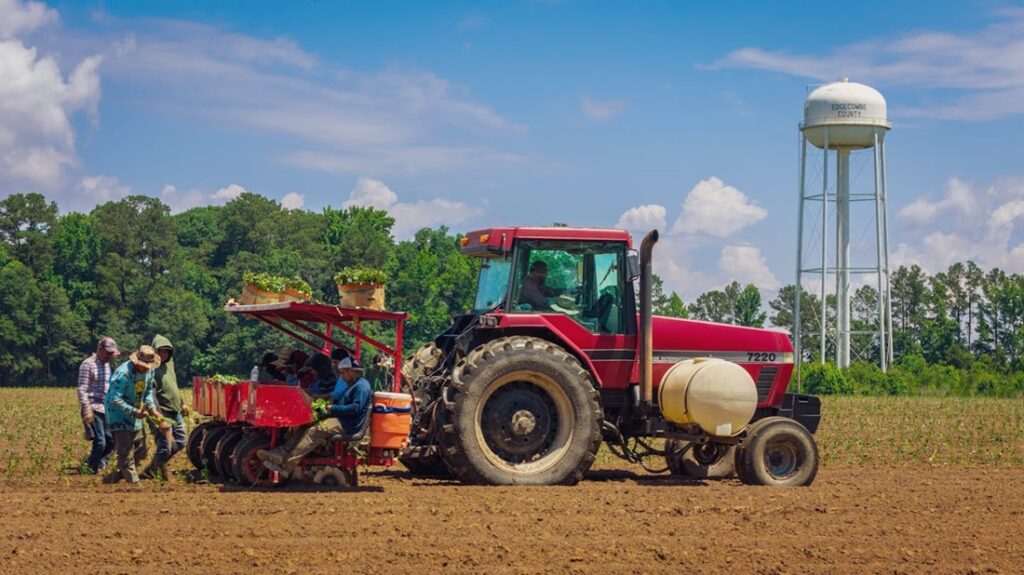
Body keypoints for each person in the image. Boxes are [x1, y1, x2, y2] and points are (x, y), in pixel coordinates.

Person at [257, 356, 372, 478]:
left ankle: (287, 465)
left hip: (347, 423)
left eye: (343, 373)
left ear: (351, 371)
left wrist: (332, 408)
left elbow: (355, 408)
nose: (342, 376)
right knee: (305, 423)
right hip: (340, 418)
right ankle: (280, 454)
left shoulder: (361, 387)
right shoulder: (352, 384)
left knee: (315, 430)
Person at [102, 345, 163, 484]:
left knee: (141, 449)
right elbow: (113, 398)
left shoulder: (149, 372)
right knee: (126, 452)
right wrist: (134, 412)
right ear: (136, 362)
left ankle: (115, 477)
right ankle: (134, 484)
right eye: (144, 365)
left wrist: (153, 410)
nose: (146, 368)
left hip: (136, 414)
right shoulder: (123, 374)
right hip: (118, 415)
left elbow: (147, 393)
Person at [140, 335, 188, 480]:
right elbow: (150, 397)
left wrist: (182, 402)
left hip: (175, 410)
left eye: (167, 352)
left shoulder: (170, 364)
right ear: (155, 352)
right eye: (161, 352)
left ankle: (152, 469)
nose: (164, 355)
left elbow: (173, 385)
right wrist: (159, 419)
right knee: (165, 444)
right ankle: (158, 470)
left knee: (180, 441)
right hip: (161, 412)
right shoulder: (150, 370)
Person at [77, 337, 120, 474]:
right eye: (107, 353)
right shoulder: (88, 364)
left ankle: (99, 463)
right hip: (93, 407)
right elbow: (82, 389)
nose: (109, 357)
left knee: (112, 441)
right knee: (100, 442)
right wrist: (86, 409)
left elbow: (108, 386)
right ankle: (90, 469)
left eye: (111, 354)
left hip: (106, 407)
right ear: (99, 350)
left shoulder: (107, 365)